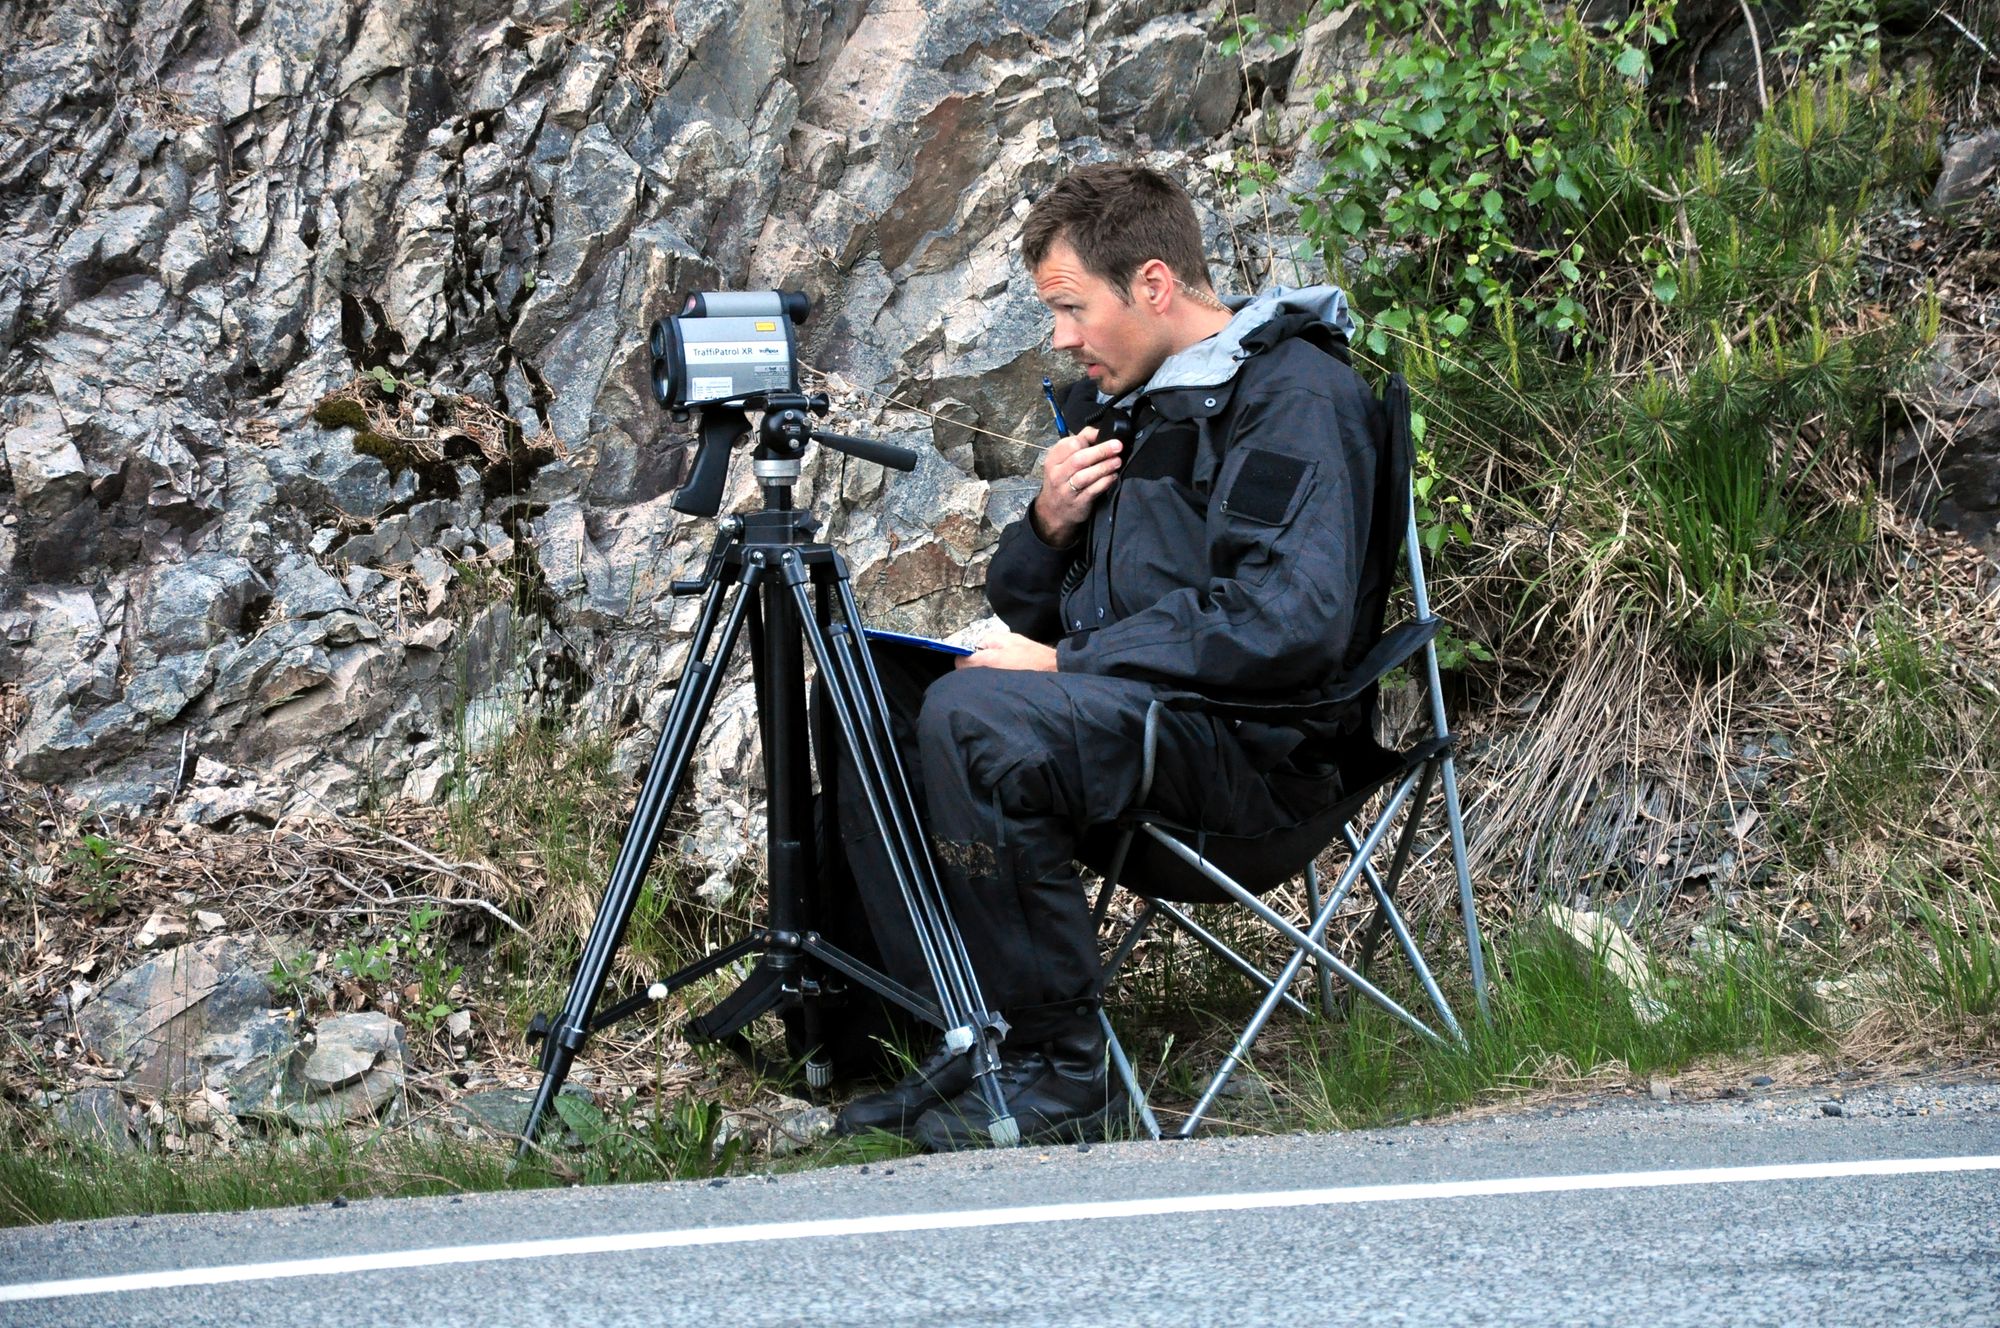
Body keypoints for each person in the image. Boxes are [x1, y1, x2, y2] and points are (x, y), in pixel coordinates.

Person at [827, 161, 1386, 1150]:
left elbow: (1288, 613)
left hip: (1253, 756)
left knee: (975, 717)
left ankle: (1059, 1069)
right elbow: (1027, 604)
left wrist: (1070, 666)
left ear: (1154, 285)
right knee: (862, 684)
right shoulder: (1132, 407)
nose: (1060, 336)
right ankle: (948, 1035)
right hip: (1135, 725)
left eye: (1071, 307)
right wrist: (1044, 525)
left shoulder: (1293, 391)